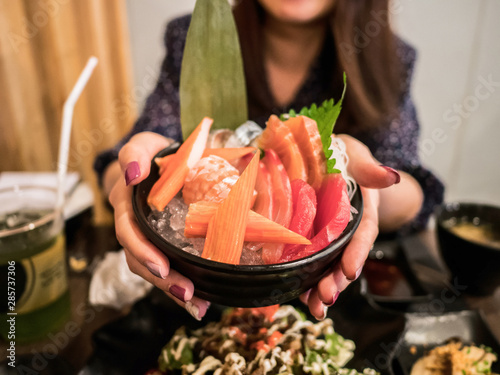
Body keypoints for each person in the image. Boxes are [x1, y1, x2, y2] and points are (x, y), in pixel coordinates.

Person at [94, 0, 444, 321]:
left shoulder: (387, 57)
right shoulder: (195, 39)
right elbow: (132, 157)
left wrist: (361, 180)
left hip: (335, 303)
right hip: (198, 299)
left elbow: (413, 188)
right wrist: (128, 183)